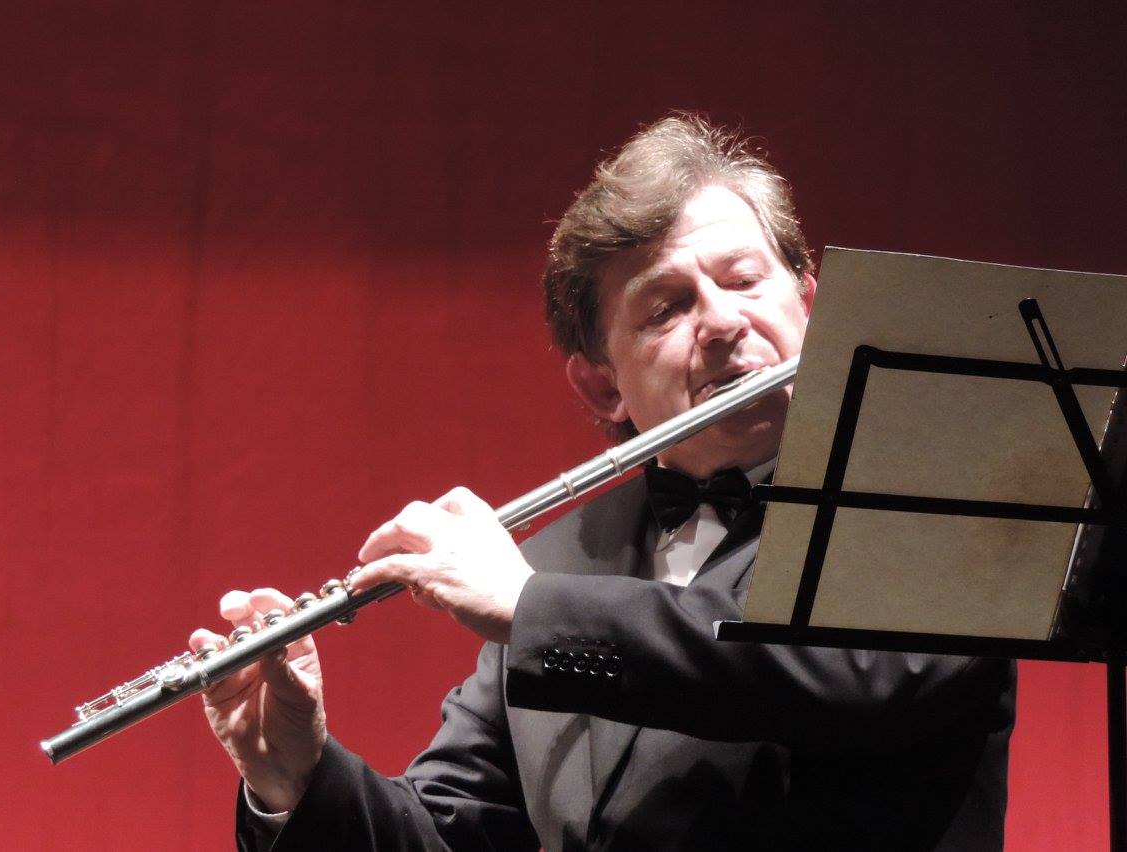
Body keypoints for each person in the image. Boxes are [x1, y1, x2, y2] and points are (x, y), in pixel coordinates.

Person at [193, 115, 1015, 850]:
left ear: (812, 308)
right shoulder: (563, 561)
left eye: (743, 279)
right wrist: (296, 777)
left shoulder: (933, 497)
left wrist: (532, 611)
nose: (723, 322)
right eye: (666, 308)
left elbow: (844, 673)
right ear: (601, 386)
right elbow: (451, 832)